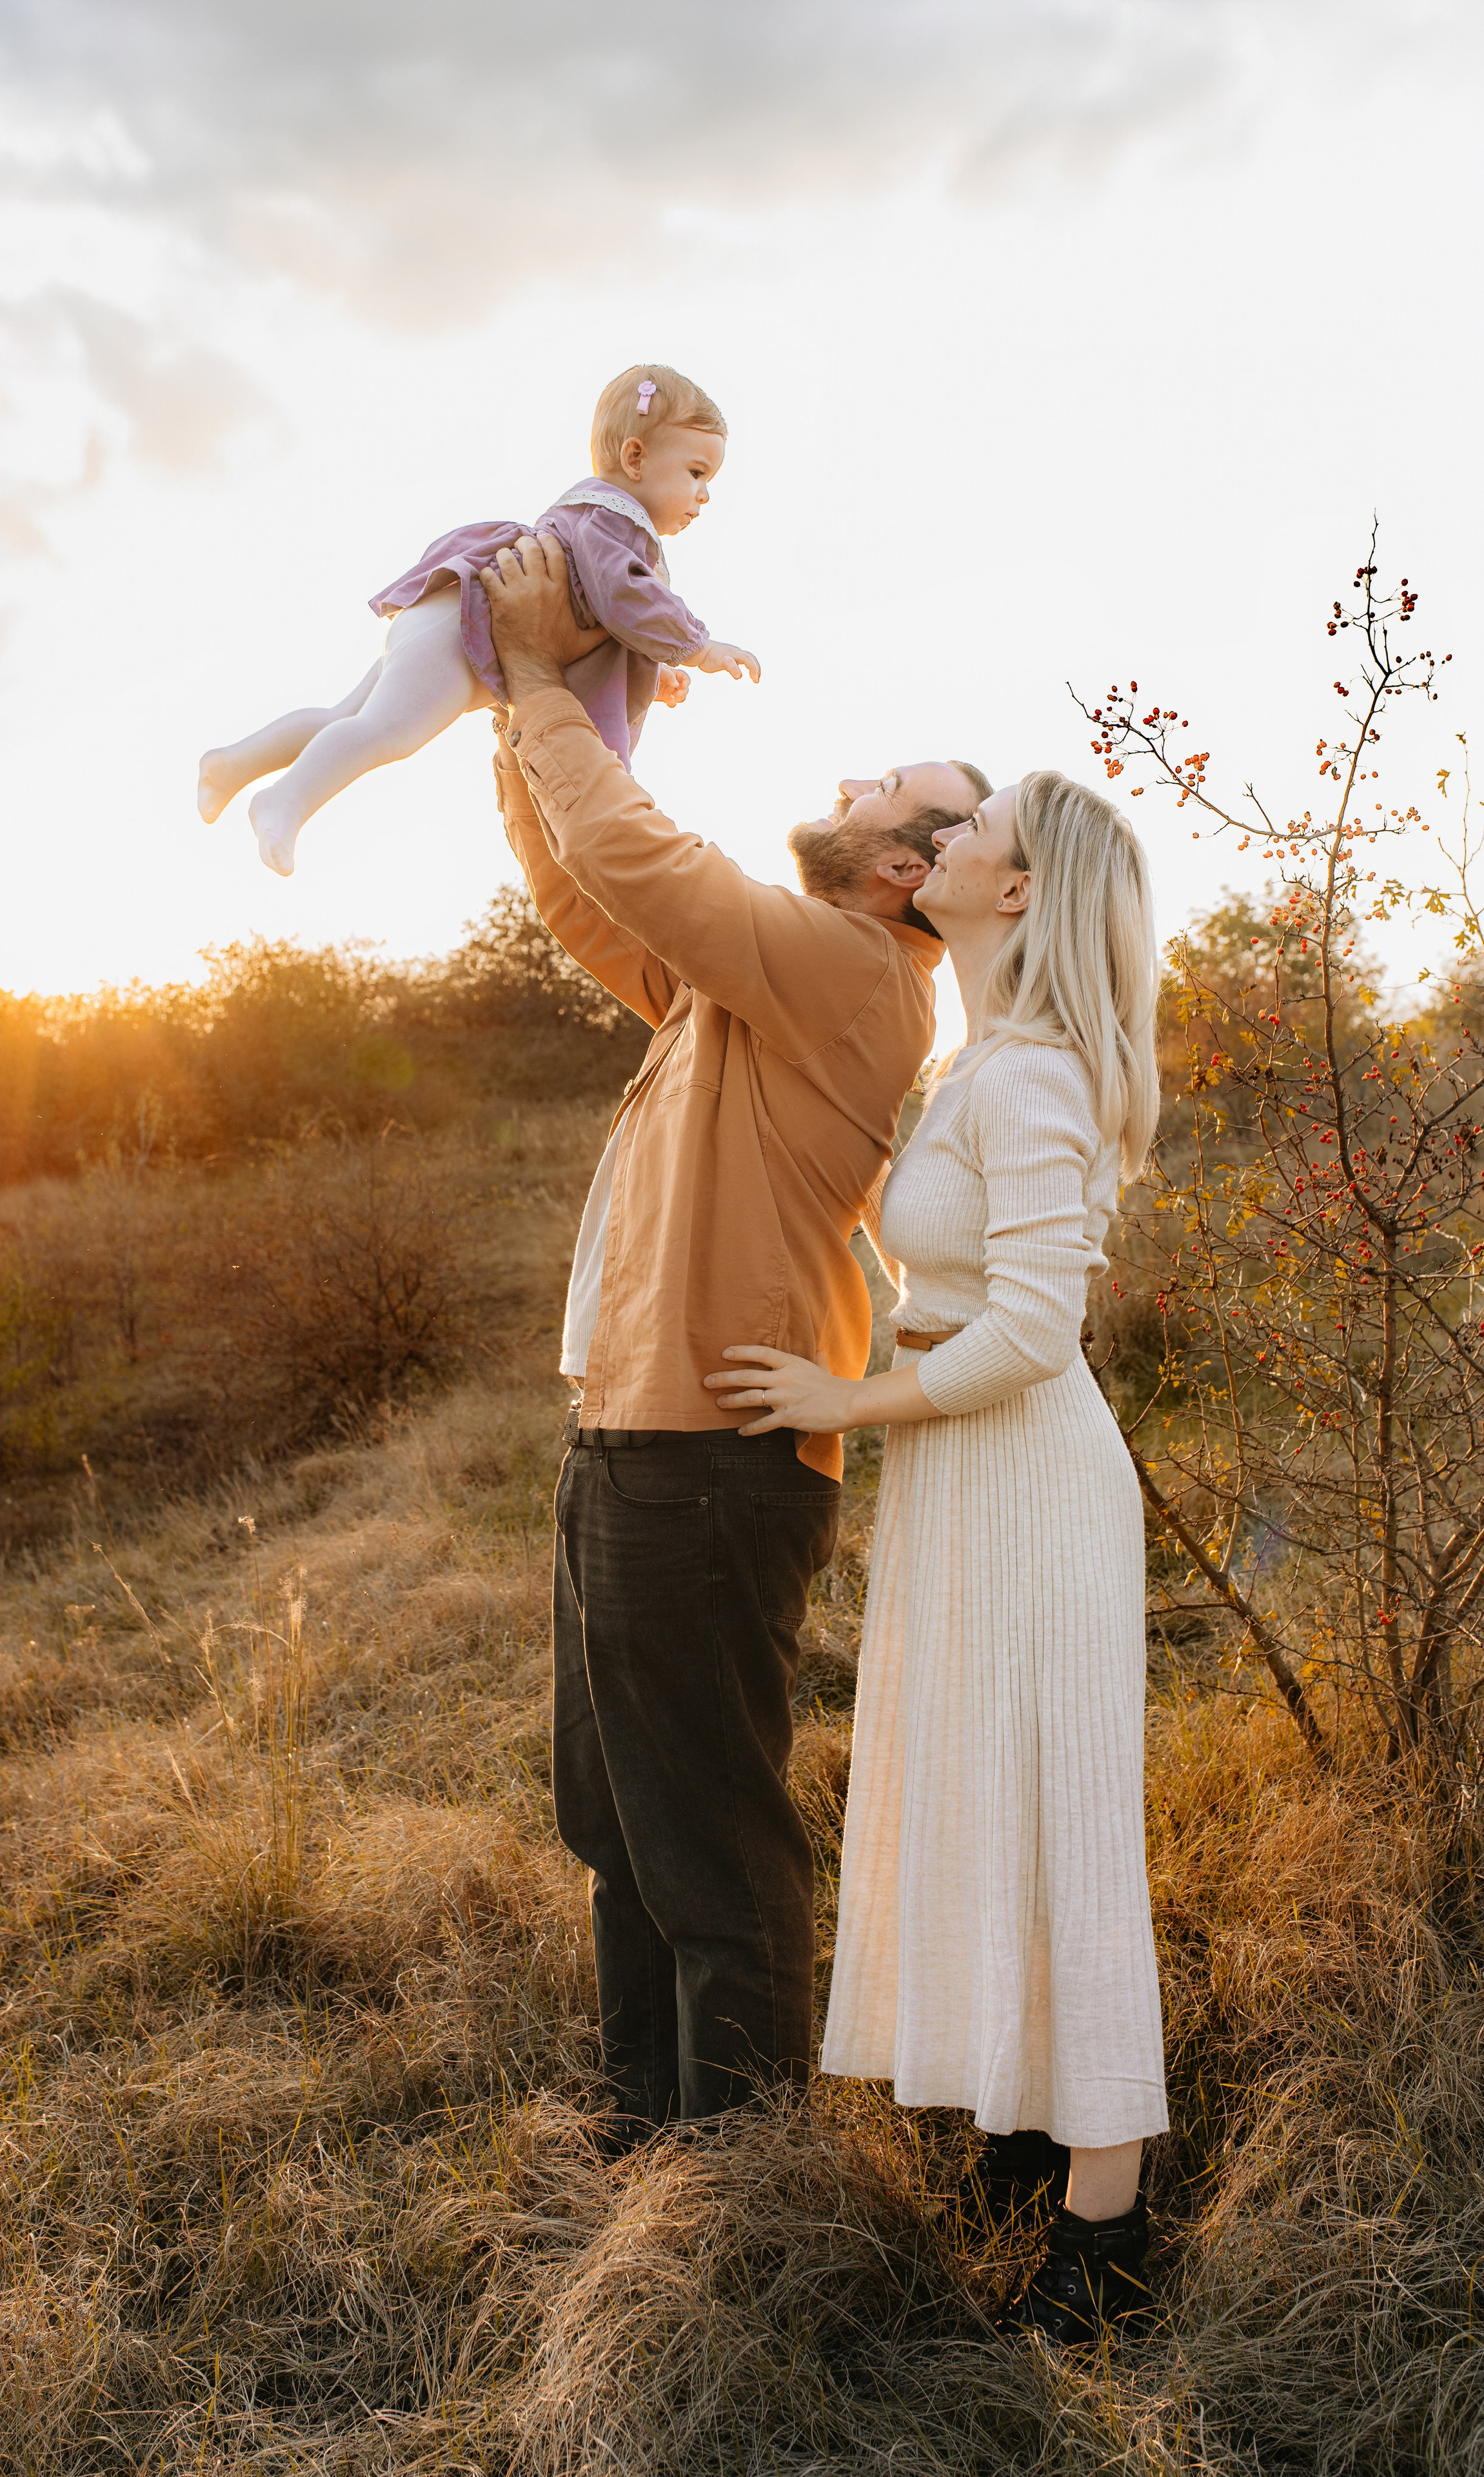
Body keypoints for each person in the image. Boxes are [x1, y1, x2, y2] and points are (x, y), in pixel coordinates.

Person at [478, 528, 991, 2144]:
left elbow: (642, 864)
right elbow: (585, 894)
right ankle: (650, 2138)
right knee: (616, 1819)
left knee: (707, 1835)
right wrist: (518, 704)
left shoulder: (850, 970)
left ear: (902, 868)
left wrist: (549, 683)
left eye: (873, 787)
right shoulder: (752, 980)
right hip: (632, 1443)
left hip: (708, 1463)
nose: (838, 784)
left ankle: (747, 2191)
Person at [707, 772, 1169, 2345]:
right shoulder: (978, 1062)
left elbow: (1038, 1330)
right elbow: (950, 1270)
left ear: (1019, 893)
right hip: (964, 1486)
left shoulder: (1029, 1077)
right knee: (987, 1805)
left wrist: (847, 1395)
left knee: (1066, 1834)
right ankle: (1024, 2130)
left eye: (972, 835)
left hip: (1031, 1490)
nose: (942, 844)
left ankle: (1104, 2236)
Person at [196, 364, 760, 876]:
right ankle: (284, 801)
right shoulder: (614, 524)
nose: (705, 494)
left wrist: (652, 671)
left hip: (448, 615)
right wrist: (696, 647)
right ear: (635, 459)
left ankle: (230, 764)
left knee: (348, 716)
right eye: (696, 472)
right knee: (389, 733)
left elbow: (607, 625)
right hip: (465, 634)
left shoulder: (599, 524)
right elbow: (624, 599)